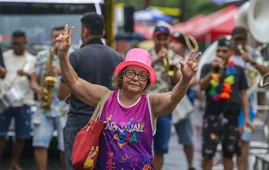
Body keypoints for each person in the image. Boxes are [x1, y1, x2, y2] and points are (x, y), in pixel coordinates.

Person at [55, 24, 200, 169]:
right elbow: (74, 82)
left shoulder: (151, 104)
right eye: (131, 72)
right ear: (121, 76)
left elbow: (173, 98)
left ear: (147, 82)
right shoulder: (105, 98)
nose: (136, 78)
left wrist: (185, 79)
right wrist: (63, 56)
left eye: (142, 75)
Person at [60, 13, 123, 170]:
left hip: (79, 123)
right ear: (102, 33)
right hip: (108, 123)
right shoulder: (118, 58)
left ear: (85, 31)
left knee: (77, 165)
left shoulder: (75, 57)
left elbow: (61, 94)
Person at [199, 37, 252, 170]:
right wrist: (212, 72)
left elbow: (244, 94)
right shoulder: (208, 67)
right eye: (218, 51)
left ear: (231, 52)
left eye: (224, 51)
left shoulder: (238, 70)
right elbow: (201, 86)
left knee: (229, 154)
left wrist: (246, 118)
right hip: (212, 115)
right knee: (207, 154)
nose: (221, 54)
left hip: (232, 118)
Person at [230, 26, 269, 170]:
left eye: (242, 39)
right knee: (230, 144)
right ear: (232, 40)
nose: (240, 42)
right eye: (237, 39)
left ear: (246, 40)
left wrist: (252, 62)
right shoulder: (226, 56)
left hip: (248, 107)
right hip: (229, 105)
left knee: (244, 142)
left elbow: (267, 72)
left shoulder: (254, 55)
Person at [31, 26, 69, 170]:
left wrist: (60, 71)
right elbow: (33, 78)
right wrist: (37, 89)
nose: (57, 39)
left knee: (65, 147)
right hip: (44, 106)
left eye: (60, 36)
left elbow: (77, 79)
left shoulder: (72, 55)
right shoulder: (42, 55)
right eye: (54, 36)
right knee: (39, 144)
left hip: (64, 108)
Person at [0, 31, 36, 170]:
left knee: (21, 136)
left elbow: (36, 78)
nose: (16, 46)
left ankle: (14, 163)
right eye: (14, 43)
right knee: (1, 134)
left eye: (19, 43)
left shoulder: (31, 59)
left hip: (24, 101)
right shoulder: (4, 55)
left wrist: (26, 74)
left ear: (25, 41)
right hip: (5, 100)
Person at [148, 26, 181, 170]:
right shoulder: (146, 55)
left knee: (160, 148)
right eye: (158, 38)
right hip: (146, 106)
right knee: (141, 145)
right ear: (154, 38)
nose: (161, 41)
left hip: (164, 107)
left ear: (169, 39)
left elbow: (179, 82)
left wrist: (169, 65)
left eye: (164, 38)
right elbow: (138, 70)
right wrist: (157, 59)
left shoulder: (175, 58)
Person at [169, 32, 198, 170]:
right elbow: (174, 77)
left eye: (175, 42)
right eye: (171, 41)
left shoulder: (189, 59)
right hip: (165, 99)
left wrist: (184, 81)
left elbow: (195, 80)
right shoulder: (169, 58)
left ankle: (191, 165)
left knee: (186, 137)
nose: (172, 45)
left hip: (182, 104)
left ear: (182, 46)